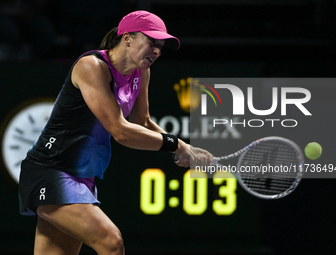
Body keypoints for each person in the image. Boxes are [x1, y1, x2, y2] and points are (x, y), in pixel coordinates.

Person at [19, 10, 212, 255]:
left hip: (84, 177)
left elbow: (141, 122)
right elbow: (120, 130)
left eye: (160, 46)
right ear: (127, 37)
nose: (157, 51)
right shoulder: (91, 66)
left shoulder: (141, 73)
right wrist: (176, 145)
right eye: (151, 42)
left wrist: (186, 147)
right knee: (111, 242)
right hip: (50, 171)